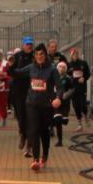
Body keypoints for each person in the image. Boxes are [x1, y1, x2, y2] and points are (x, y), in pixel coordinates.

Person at [8, 42, 63, 171]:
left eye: (42, 54)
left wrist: (58, 98)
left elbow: (60, 87)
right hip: (31, 104)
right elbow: (16, 74)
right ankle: (36, 160)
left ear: (45, 55)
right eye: (37, 54)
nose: (39, 56)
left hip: (46, 105)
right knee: (33, 131)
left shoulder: (52, 70)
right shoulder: (31, 68)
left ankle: (45, 156)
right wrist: (11, 65)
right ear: (34, 55)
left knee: (44, 132)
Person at [9, 37, 35, 156]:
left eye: (30, 44)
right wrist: (10, 66)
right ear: (23, 45)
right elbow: (11, 72)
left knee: (31, 119)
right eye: (27, 44)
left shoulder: (36, 56)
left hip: (32, 91)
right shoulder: (17, 56)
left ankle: (29, 146)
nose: (29, 46)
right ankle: (22, 135)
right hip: (18, 91)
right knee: (21, 117)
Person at [66, 47, 91, 130]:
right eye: (73, 54)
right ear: (71, 55)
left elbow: (88, 73)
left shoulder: (83, 63)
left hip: (82, 88)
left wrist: (84, 78)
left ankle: (86, 115)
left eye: (76, 54)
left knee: (83, 104)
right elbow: (67, 75)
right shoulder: (69, 65)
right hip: (73, 88)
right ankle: (80, 124)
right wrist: (70, 79)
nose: (75, 55)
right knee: (76, 106)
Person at [52, 61, 75, 147]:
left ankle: (56, 126)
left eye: (63, 67)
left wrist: (66, 94)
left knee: (63, 120)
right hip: (55, 101)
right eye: (60, 67)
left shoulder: (68, 79)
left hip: (65, 103)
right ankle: (59, 140)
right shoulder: (53, 78)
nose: (61, 69)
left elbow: (72, 89)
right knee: (57, 119)